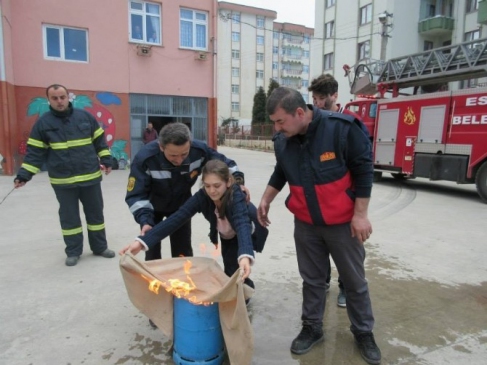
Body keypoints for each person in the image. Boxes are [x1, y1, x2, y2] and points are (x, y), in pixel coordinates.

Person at [257, 87, 380, 365]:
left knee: (353, 281)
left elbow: (363, 169)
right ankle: (312, 327)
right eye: (274, 122)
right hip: (306, 224)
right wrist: (266, 198)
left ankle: (363, 332)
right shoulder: (284, 139)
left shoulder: (341, 129)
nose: (276, 128)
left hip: (343, 224)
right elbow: (281, 170)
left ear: (300, 113)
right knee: (312, 279)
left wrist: (360, 214)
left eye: (280, 121)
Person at [120, 160, 268, 293]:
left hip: (248, 231)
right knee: (230, 268)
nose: (212, 191)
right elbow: (177, 218)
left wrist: (245, 256)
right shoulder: (202, 196)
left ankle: (245, 296)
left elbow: (242, 224)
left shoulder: (236, 196)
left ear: (228, 182)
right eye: (207, 185)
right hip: (226, 233)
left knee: (236, 266)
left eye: (217, 185)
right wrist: (141, 242)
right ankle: (244, 287)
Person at [14, 84, 115, 267]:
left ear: (68, 97)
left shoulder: (85, 117)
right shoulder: (43, 124)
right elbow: (35, 153)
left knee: (95, 216)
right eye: (55, 98)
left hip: (89, 178)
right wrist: (24, 175)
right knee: (70, 218)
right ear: (49, 100)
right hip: (63, 181)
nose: (59, 101)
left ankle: (100, 247)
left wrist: (107, 160)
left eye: (62, 97)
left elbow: (100, 142)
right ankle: (73, 252)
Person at [125, 122, 245, 262]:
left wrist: (239, 184)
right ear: (161, 147)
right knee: (151, 249)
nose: (179, 160)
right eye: (173, 155)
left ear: (189, 143)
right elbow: (136, 195)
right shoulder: (145, 158)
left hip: (182, 206)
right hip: (152, 209)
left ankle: (183, 281)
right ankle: (155, 281)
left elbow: (227, 165)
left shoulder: (199, 151)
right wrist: (145, 220)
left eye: (184, 154)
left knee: (183, 251)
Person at [308, 73, 371, 308]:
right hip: (321, 201)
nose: (317, 103)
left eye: (321, 98)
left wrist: (359, 210)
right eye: (314, 98)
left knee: (350, 250)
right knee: (319, 246)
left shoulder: (351, 122)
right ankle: (322, 282)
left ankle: (346, 288)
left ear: (335, 95)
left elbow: (364, 165)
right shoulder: (314, 123)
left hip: (347, 201)